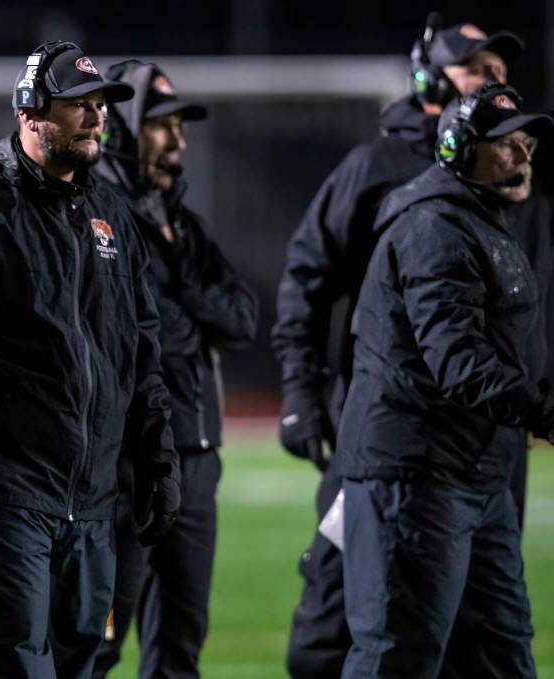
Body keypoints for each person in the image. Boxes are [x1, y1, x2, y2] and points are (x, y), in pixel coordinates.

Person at [270, 19, 538, 678]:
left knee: (486, 642)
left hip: (483, 443)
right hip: (398, 437)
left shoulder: (506, 179)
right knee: (353, 626)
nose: (495, 74)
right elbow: (306, 279)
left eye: (499, 66)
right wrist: (302, 391)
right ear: (428, 78)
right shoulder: (381, 173)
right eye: (477, 67)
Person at [0, 41, 181, 679]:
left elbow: (139, 346)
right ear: (31, 110)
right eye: (78, 104)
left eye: (99, 104)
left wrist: (157, 453)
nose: (96, 116)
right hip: (0, 502)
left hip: (93, 506)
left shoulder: (110, 214)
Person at [336, 81, 552, 678]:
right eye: (507, 142)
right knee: (395, 658)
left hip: (473, 473)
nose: (524, 153)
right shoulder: (433, 226)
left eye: (526, 140)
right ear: (458, 149)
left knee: (502, 656)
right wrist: (543, 413)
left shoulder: (481, 221)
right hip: (417, 477)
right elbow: (459, 361)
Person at [90, 60, 258, 678]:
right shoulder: (99, 212)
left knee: (180, 646)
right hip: (124, 465)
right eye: (162, 125)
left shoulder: (183, 220)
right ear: (125, 131)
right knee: (95, 642)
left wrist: (184, 310)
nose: (178, 139)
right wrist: (187, 317)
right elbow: (140, 330)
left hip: (196, 456)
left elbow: (243, 316)